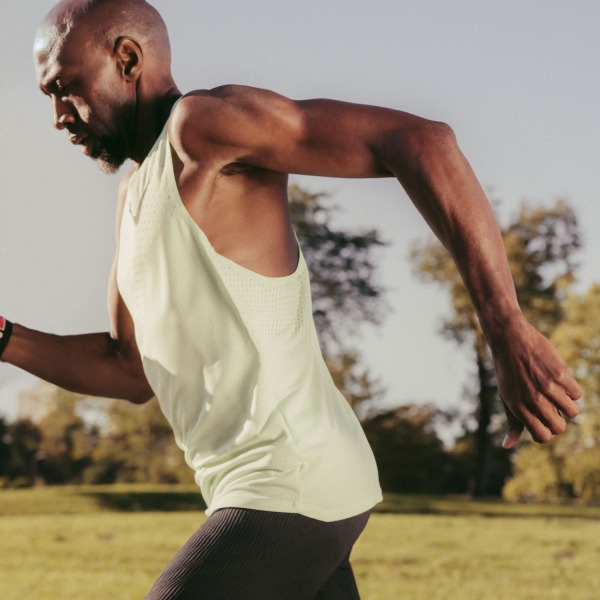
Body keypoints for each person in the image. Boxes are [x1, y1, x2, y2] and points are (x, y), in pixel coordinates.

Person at [0, 0, 582, 598]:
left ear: (127, 59)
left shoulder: (199, 128)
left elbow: (419, 140)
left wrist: (507, 328)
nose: (57, 116)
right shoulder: (132, 200)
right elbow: (128, 368)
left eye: (65, 88)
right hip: (264, 491)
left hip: (286, 482)